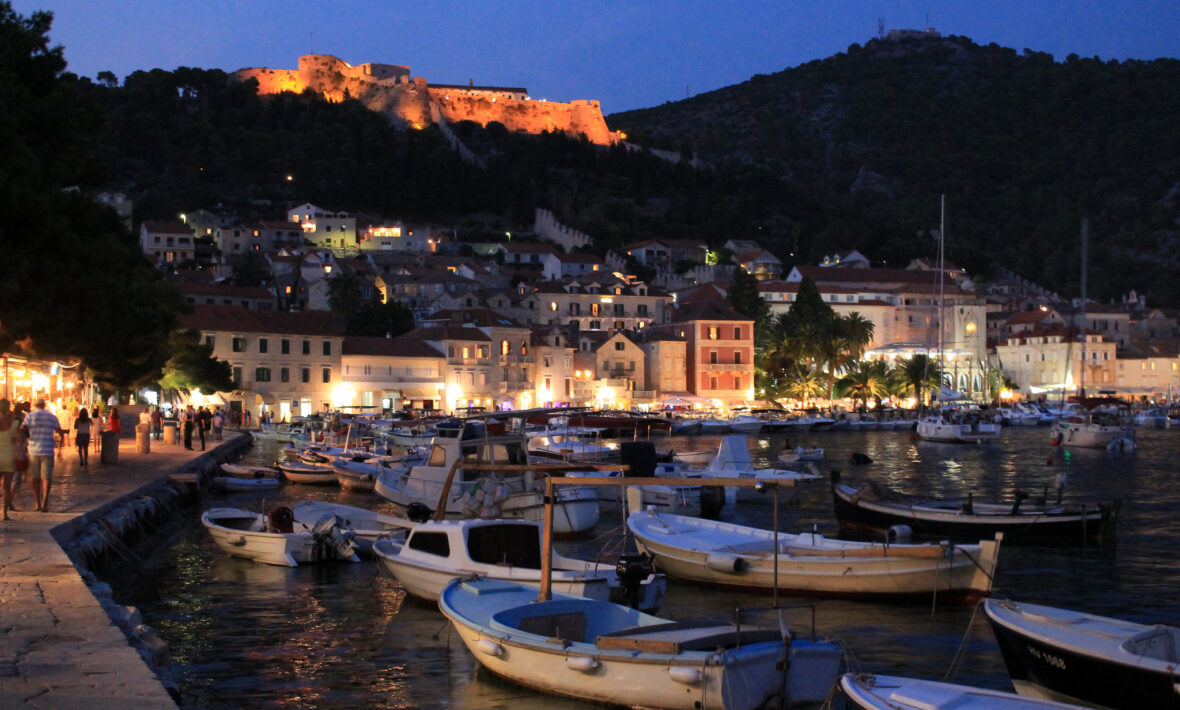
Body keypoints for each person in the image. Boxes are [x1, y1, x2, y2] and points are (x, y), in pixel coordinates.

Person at [23, 398, 61, 512]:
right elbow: (59, 431)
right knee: (46, 477)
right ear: (44, 405)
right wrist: (60, 449)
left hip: (33, 450)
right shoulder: (51, 416)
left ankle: (37, 503)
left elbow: (22, 429)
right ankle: (45, 502)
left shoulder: (30, 416)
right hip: (48, 450)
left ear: (36, 405)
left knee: (35, 478)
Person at [0, 399, 23, 520]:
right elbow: (20, 439)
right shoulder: (13, 423)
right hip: (8, 457)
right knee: (7, 488)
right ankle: (4, 514)